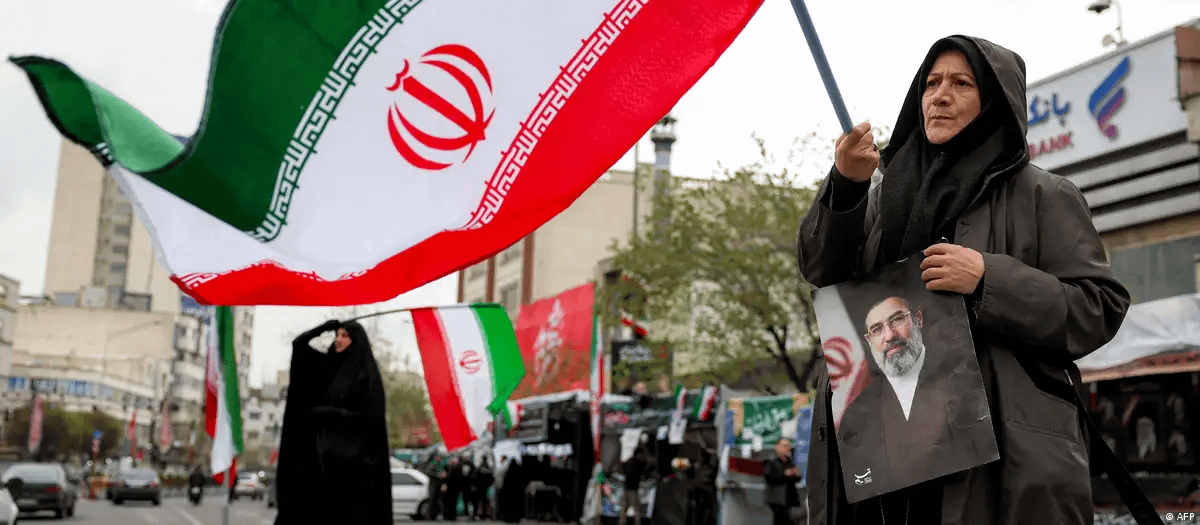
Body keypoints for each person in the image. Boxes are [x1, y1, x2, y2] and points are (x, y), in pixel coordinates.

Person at [797, 35, 1130, 524]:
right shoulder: (882, 198)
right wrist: (845, 186)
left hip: (995, 465)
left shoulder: (1044, 195)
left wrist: (988, 279)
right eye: (931, 83)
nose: (940, 96)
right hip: (883, 461)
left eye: (961, 84)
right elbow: (821, 270)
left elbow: (1098, 306)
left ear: (994, 100)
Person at [274, 320, 392, 524]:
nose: (338, 339)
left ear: (356, 340)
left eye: (345, 336)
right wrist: (322, 328)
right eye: (337, 335)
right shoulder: (327, 366)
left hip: (353, 467)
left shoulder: (366, 373)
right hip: (321, 460)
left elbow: (371, 417)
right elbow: (299, 345)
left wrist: (334, 414)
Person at [764, 438, 802, 525]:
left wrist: (796, 474)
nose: (786, 448)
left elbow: (796, 479)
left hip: (789, 499)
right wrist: (784, 474)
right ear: (777, 446)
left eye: (787, 446)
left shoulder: (789, 461)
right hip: (777, 499)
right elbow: (769, 478)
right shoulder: (771, 460)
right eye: (784, 446)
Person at [619, 444, 650, 525]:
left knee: (624, 509)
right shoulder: (637, 464)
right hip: (633, 489)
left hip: (626, 488)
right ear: (637, 454)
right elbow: (644, 472)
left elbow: (623, 469)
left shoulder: (629, 462)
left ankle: (622, 523)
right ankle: (637, 523)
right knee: (636, 509)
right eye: (641, 455)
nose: (642, 457)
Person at [474, 455, 495, 519]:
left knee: (480, 501)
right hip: (484, 487)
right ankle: (483, 513)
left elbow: (476, 477)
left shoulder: (480, 468)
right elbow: (491, 478)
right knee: (484, 501)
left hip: (481, 487)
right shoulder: (487, 468)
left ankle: (480, 513)